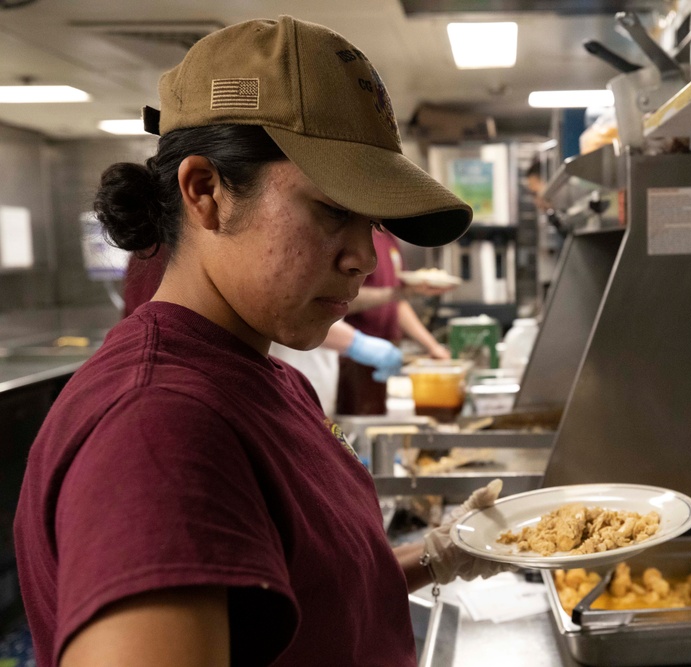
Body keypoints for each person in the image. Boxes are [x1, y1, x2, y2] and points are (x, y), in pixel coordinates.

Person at [14, 16, 512, 667]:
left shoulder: (267, 378)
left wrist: (439, 554)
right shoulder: (157, 433)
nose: (364, 256)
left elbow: (312, 592)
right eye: (334, 208)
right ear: (206, 192)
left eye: (374, 222)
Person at [123, 248, 402, 416]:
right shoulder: (166, 398)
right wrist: (357, 343)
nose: (366, 260)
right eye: (330, 213)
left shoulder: (285, 383)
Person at [336, 230, 453, 415]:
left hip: (384, 356)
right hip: (352, 357)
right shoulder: (356, 235)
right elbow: (341, 299)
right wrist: (360, 345)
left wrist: (432, 347)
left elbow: (397, 304)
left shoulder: (389, 238)